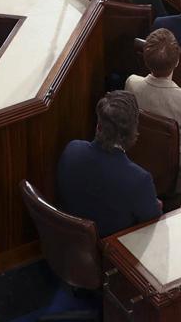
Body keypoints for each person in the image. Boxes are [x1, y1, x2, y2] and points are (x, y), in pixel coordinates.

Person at [55, 90, 161, 238]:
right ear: (133, 131)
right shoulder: (139, 180)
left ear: (99, 125)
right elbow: (153, 224)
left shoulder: (72, 149)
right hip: (110, 250)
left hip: (68, 241)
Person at [124, 28, 181, 192]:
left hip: (138, 168)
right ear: (177, 61)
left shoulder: (131, 83)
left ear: (145, 59)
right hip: (178, 184)